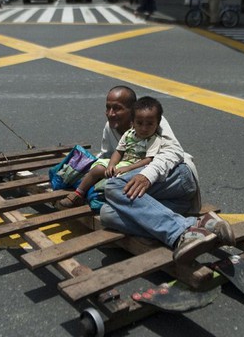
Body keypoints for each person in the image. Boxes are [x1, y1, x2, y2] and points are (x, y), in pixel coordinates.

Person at [97, 86, 235, 264]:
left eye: (117, 108)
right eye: (108, 107)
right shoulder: (110, 128)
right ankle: (199, 223)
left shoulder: (153, 120)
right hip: (166, 198)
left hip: (178, 177)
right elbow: (107, 157)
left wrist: (147, 175)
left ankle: (181, 234)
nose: (111, 113)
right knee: (107, 214)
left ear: (132, 110)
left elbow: (174, 152)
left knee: (114, 186)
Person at [56, 96, 164, 209]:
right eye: (140, 123)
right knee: (98, 168)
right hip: (122, 164)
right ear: (132, 122)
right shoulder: (129, 134)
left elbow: (148, 160)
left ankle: (103, 198)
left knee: (115, 181)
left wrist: (128, 168)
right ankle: (78, 193)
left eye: (149, 124)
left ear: (157, 123)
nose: (144, 128)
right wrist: (112, 165)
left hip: (137, 169)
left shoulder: (154, 139)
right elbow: (118, 151)